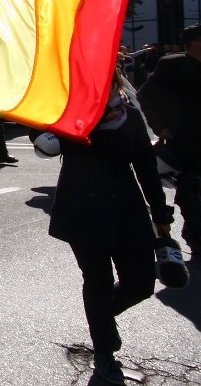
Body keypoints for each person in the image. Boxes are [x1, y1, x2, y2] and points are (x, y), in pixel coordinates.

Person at [49, 67, 173, 384]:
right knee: (98, 281)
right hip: (82, 210)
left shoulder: (129, 116)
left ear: (116, 81)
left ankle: (102, 319)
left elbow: (146, 168)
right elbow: (44, 136)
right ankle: (104, 350)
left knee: (141, 283)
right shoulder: (72, 113)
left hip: (127, 210)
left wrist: (161, 216)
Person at [138, 23, 201, 255]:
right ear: (194, 42)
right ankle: (195, 232)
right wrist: (159, 127)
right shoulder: (173, 65)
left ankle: (193, 230)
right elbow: (145, 95)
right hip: (185, 137)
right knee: (191, 187)